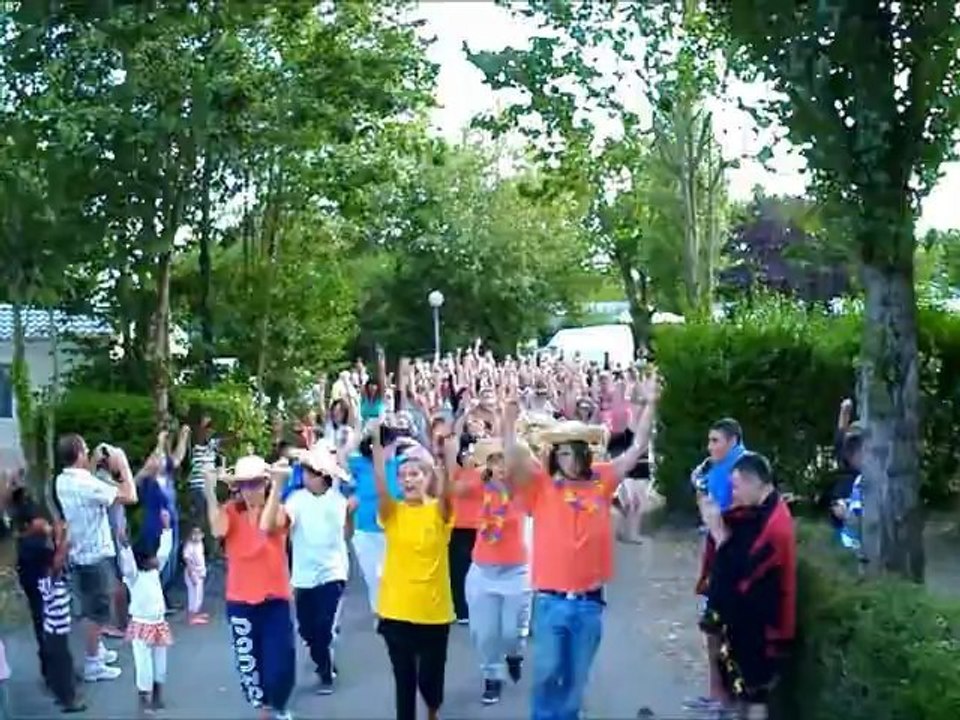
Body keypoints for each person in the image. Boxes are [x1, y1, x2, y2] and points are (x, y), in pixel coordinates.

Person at [506, 373, 659, 720]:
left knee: (575, 681)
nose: (569, 460)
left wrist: (650, 404)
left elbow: (636, 449)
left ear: (585, 455)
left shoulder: (602, 479)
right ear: (553, 457)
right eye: (561, 453)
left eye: (574, 453)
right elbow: (514, 457)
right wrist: (507, 421)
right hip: (550, 601)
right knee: (546, 673)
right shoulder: (541, 486)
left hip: (589, 604)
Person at [698, 452, 797, 720]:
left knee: (754, 696)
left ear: (755, 483)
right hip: (749, 622)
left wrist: (719, 533)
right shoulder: (764, 510)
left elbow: (745, 571)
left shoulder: (776, 526)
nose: (734, 495)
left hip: (763, 629)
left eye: (737, 487)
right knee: (743, 693)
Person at [372, 421, 454, 720]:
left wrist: (444, 454)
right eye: (403, 475)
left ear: (427, 477)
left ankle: (432, 710)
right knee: (404, 681)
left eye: (415, 474)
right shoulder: (392, 512)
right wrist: (375, 442)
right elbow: (381, 485)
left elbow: (448, 491)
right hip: (397, 611)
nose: (408, 480)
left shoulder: (439, 511)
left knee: (429, 683)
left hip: (433, 611)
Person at [204, 455, 295, 720]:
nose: (250, 490)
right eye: (244, 485)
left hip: (274, 599)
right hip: (241, 600)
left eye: (255, 483)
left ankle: (278, 706)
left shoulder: (279, 508)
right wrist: (209, 491)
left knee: (280, 663)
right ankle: (266, 710)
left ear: (265, 484)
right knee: (250, 665)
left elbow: (269, 525)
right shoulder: (231, 511)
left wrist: (277, 487)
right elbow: (218, 531)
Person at [261, 442, 354, 696]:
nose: (305, 477)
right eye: (304, 472)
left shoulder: (338, 500)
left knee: (323, 626)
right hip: (303, 575)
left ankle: (326, 673)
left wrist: (351, 515)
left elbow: (347, 532)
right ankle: (323, 661)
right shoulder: (296, 499)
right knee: (307, 629)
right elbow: (281, 523)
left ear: (323, 476)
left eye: (310, 473)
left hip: (333, 571)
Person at [54, 435, 137, 682]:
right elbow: (130, 496)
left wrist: (93, 461)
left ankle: (96, 650)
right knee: (96, 612)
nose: (89, 453)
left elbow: (87, 479)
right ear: (79, 454)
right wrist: (121, 464)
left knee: (90, 605)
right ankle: (92, 664)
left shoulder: (63, 480)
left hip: (79, 552)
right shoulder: (88, 485)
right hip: (94, 555)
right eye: (86, 450)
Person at [453, 437, 530, 705]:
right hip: (483, 571)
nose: (500, 469)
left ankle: (514, 653)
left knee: (511, 632)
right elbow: (451, 487)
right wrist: (448, 451)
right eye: (495, 463)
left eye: (504, 463)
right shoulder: (478, 485)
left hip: (515, 572)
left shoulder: (521, 490)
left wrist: (507, 416)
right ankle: (492, 678)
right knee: (484, 633)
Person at [689, 418, 747, 714]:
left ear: (733, 440)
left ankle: (727, 697)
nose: (710, 447)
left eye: (716, 441)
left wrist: (702, 496)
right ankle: (717, 694)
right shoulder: (718, 467)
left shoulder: (739, 471)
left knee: (722, 629)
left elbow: (722, 515)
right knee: (713, 628)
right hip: (718, 551)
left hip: (729, 556)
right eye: (709, 441)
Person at [118, 512, 174, 713]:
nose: (156, 560)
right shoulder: (133, 576)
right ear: (143, 560)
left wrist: (167, 529)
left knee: (160, 662)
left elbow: (165, 552)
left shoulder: (153, 572)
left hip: (158, 622)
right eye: (152, 557)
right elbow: (128, 564)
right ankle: (145, 698)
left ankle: (157, 693)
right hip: (142, 624)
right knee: (143, 663)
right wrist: (124, 545)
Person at [345, 428, 402, 617]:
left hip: (394, 530)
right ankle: (381, 614)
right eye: (389, 445)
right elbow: (335, 460)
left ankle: (396, 613)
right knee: (375, 577)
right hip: (365, 531)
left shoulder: (401, 466)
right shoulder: (359, 464)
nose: (393, 449)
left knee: (393, 576)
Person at [37, 518, 86, 712]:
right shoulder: (48, 579)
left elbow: (59, 559)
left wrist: (60, 535)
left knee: (60, 664)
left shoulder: (49, 575)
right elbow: (58, 561)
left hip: (56, 629)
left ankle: (62, 695)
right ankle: (68, 700)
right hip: (56, 630)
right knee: (63, 665)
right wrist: (63, 542)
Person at [182, 526, 208, 624]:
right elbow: (187, 559)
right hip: (192, 572)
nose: (196, 536)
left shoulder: (200, 544)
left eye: (198, 533)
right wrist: (192, 573)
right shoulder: (189, 545)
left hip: (200, 571)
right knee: (193, 594)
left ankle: (196, 613)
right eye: (194, 533)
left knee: (199, 594)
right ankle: (191, 616)